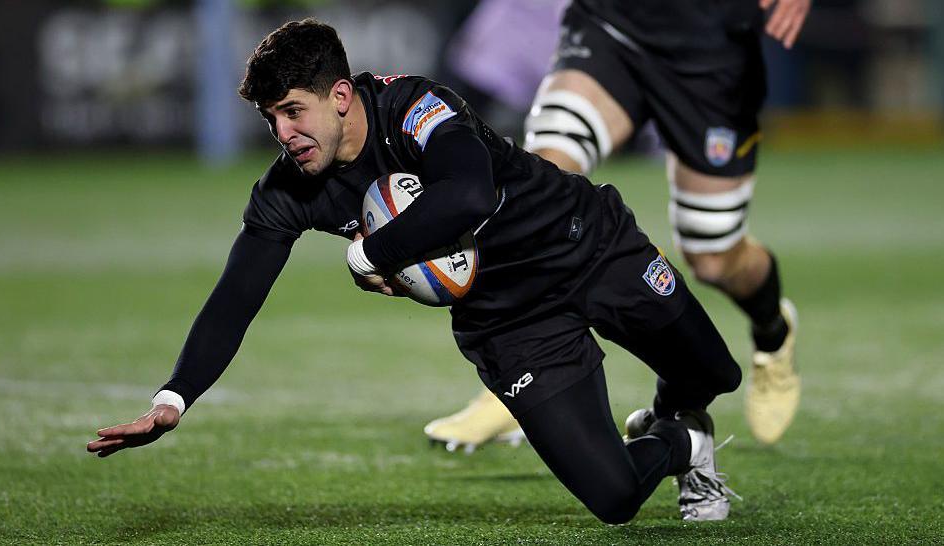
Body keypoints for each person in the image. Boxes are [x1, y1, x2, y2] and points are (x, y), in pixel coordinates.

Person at [87, 19, 744, 522]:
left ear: (340, 95)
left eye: (292, 111)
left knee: (714, 373)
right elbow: (235, 297)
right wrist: (172, 400)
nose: (282, 133)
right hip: (510, 322)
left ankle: (673, 407)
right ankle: (681, 446)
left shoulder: (413, 107)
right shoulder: (287, 190)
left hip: (586, 247)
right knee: (614, 499)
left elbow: (468, 196)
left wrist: (368, 253)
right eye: (270, 119)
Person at [424, 0, 811, 450]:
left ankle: (773, 332)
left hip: (709, 42)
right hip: (612, 20)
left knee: (714, 256)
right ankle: (521, 379)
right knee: (542, 187)